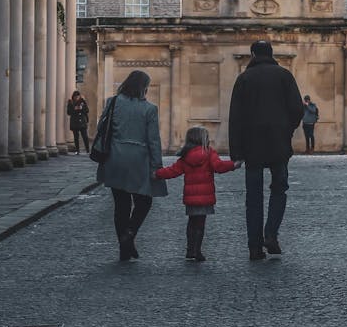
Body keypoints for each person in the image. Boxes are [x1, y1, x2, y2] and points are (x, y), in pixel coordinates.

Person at [227, 39, 305, 260]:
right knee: (279, 189)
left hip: (252, 147)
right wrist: (287, 130)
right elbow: (297, 109)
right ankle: (271, 233)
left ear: (252, 54)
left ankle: (254, 246)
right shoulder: (284, 76)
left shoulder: (243, 79)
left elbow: (235, 119)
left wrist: (237, 153)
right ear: (271, 54)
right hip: (278, 144)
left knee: (253, 196)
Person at [93, 70, 167, 261]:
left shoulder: (113, 102)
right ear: (144, 87)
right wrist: (156, 166)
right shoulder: (150, 109)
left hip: (114, 158)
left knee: (121, 205)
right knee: (144, 201)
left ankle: (125, 247)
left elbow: (102, 128)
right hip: (138, 160)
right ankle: (130, 234)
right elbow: (153, 140)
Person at [156, 127, 240, 262]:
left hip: (190, 197)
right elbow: (219, 166)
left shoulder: (185, 155)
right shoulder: (209, 153)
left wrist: (157, 174)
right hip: (205, 196)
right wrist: (233, 165)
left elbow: (173, 171)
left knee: (191, 222)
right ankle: (198, 251)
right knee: (200, 224)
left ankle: (190, 249)